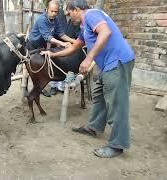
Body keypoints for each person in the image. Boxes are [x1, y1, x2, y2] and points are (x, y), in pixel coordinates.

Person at [41, 0, 135, 158]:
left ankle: (117, 145)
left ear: (77, 9)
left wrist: (88, 59)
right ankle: (93, 128)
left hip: (117, 63)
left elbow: (105, 32)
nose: (69, 18)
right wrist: (53, 54)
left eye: (69, 13)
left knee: (117, 103)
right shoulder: (85, 27)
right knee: (99, 95)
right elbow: (74, 47)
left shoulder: (91, 15)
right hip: (108, 65)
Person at [26, 0, 76, 97]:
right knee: (34, 69)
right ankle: (37, 88)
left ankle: (39, 87)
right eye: (51, 11)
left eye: (56, 12)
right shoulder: (42, 19)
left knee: (41, 67)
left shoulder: (55, 19)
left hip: (42, 45)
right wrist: (63, 44)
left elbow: (61, 34)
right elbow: (48, 37)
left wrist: (73, 41)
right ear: (46, 10)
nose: (53, 14)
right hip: (32, 45)